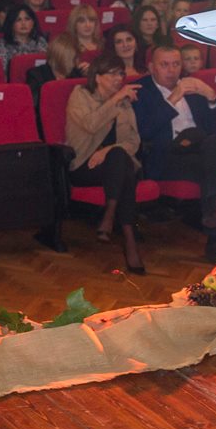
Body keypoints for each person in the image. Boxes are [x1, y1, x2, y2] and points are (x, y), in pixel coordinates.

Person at [135, 43, 216, 262]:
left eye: (176, 64)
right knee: (210, 169)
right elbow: (144, 132)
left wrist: (211, 97)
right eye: (164, 65)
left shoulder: (193, 87)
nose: (171, 70)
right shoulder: (140, 91)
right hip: (166, 156)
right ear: (152, 67)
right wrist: (174, 98)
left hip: (199, 151)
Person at [65, 52, 147, 272]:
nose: (119, 79)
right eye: (112, 74)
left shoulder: (124, 101)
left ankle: (112, 218)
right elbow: (90, 124)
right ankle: (126, 237)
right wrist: (115, 99)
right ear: (97, 76)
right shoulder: (80, 94)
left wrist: (107, 151)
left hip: (114, 164)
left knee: (120, 159)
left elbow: (133, 141)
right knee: (124, 169)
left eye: (121, 74)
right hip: (85, 165)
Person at [25, 32, 80, 99]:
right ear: (60, 58)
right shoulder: (35, 76)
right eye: (73, 59)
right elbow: (34, 102)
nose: (76, 62)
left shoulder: (77, 74)